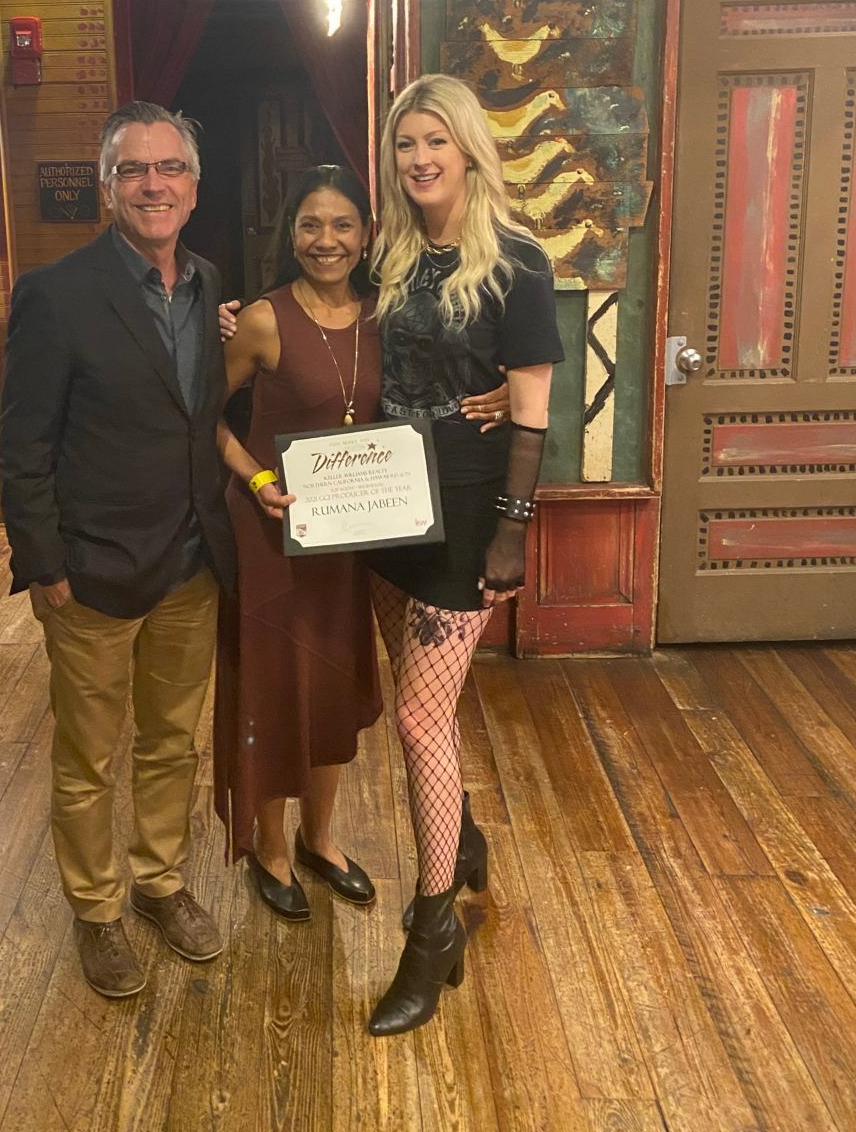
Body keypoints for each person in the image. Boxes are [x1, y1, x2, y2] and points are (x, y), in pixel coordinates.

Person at [0, 101, 237, 1002]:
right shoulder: (55, 295)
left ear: (193, 185)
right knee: (89, 757)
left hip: (190, 564)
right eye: (134, 170)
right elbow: (23, 446)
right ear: (107, 187)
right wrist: (44, 562)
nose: (153, 184)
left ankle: (160, 885)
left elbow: (207, 420)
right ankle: (96, 910)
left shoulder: (213, 286)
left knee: (172, 744)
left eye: (170, 168)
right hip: (91, 572)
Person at [365, 74, 562, 1037]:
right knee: (420, 711)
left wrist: (514, 533)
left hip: (473, 513)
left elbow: (531, 411)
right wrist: (247, 322)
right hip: (391, 508)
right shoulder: (393, 257)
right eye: (406, 144)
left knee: (416, 720)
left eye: (436, 140)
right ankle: (464, 838)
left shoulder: (517, 263)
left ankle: (435, 928)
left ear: (470, 149)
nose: (420, 159)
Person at [214, 165, 383, 921]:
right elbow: (205, 418)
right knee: (278, 686)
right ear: (291, 235)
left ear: (367, 235)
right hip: (273, 531)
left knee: (333, 685)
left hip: (350, 536)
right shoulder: (262, 319)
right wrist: (255, 481)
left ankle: (322, 837)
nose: (327, 240)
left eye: (342, 224)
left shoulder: (385, 315)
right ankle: (272, 847)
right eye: (311, 225)